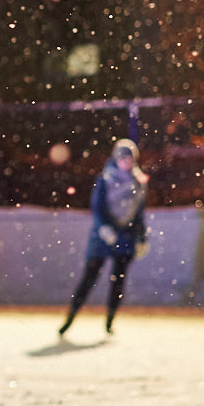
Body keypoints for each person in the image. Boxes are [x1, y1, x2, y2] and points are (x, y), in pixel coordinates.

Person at [58, 138, 149, 337]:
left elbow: (139, 213)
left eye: (129, 157)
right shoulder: (105, 179)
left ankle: (110, 321)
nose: (125, 160)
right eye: (122, 156)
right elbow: (97, 207)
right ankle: (70, 319)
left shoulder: (139, 182)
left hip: (126, 236)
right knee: (89, 277)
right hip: (102, 237)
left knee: (118, 281)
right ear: (115, 157)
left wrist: (142, 237)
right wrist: (104, 228)